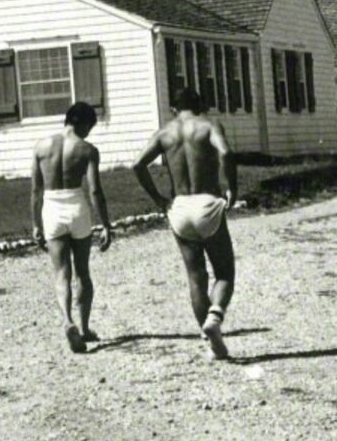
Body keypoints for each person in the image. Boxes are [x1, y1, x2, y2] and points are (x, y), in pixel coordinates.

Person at [131, 86, 237, 359]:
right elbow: (225, 153)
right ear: (199, 105)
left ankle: (208, 335)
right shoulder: (209, 125)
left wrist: (157, 198)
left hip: (179, 206)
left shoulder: (165, 132)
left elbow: (137, 164)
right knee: (224, 272)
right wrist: (231, 188)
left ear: (174, 109)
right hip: (207, 202)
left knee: (195, 276)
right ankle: (215, 317)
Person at [31, 101, 112, 353]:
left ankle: (68, 321)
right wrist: (106, 225)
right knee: (83, 272)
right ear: (84, 123)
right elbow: (95, 190)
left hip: (52, 208)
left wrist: (36, 224)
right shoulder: (87, 149)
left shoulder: (41, 146)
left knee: (61, 273)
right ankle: (85, 328)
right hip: (77, 206)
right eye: (90, 127)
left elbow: (35, 190)